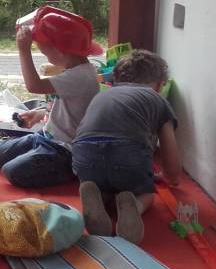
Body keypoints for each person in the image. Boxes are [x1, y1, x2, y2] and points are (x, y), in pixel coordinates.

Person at [73, 49, 182, 244]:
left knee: (103, 183)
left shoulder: (102, 96)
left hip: (85, 156)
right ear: (160, 85)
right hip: (127, 154)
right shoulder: (157, 99)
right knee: (145, 192)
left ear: (115, 79)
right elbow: (169, 151)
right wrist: (171, 177)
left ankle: (99, 198)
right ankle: (134, 206)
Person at [0, 6, 102, 188]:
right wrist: (41, 113)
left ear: (60, 51)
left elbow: (34, 85)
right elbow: (71, 108)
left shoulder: (80, 76)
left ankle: (68, 170)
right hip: (47, 137)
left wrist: (24, 50)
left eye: (45, 53)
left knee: (12, 171)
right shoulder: (78, 70)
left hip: (64, 151)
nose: (46, 57)